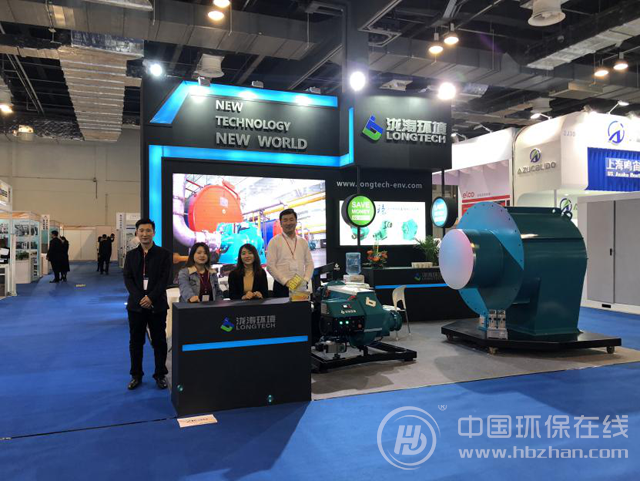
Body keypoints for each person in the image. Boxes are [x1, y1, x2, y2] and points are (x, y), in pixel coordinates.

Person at [123, 219, 171, 391]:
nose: (145, 234)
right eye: (141, 230)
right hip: (136, 307)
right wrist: (140, 298)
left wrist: (150, 297)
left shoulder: (164, 254)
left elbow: (164, 279)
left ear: (154, 233)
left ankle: (160, 374)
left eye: (148, 230)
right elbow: (128, 278)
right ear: (137, 232)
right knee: (136, 342)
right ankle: (136, 375)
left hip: (157, 305)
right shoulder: (131, 255)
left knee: (159, 341)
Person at [266, 209, 314, 298]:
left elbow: (309, 263)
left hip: (301, 285)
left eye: (291, 220)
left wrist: (306, 280)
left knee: (300, 307)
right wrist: (286, 282)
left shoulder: (303, 242)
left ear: (296, 222)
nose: (288, 223)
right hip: (282, 286)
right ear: (281, 223)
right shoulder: (274, 242)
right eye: (285, 220)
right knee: (282, 307)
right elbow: (270, 266)